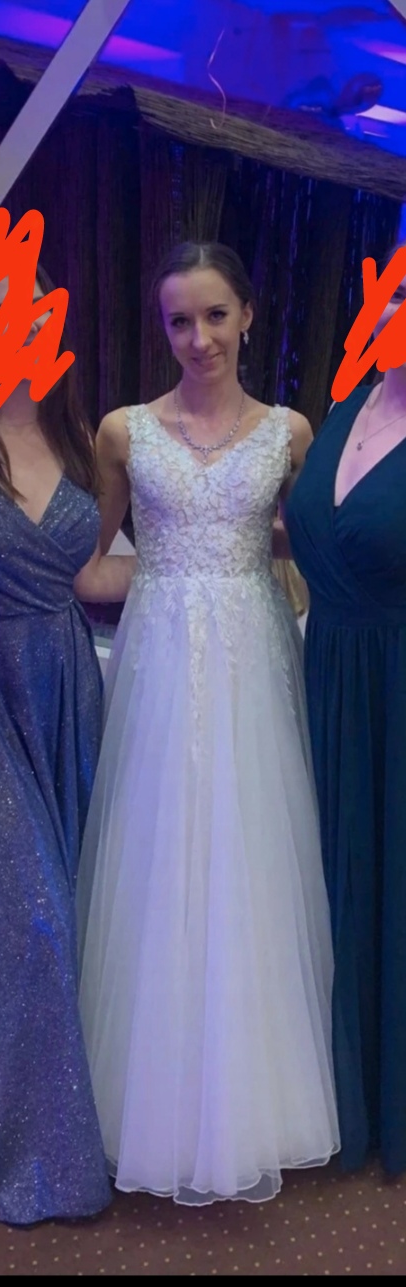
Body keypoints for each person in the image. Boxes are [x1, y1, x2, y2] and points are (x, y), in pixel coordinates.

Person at [77, 241, 339, 1206]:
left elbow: (314, 544)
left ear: (248, 315)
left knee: (250, 861)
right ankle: (145, 1103)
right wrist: (159, 577)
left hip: (253, 670)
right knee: (155, 864)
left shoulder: (289, 434)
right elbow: (91, 560)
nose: (198, 338)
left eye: (214, 315)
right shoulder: (123, 431)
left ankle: (255, 1105)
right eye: (179, 321)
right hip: (157, 669)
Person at [0, 264, 134, 1225]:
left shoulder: (74, 430)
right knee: (35, 919)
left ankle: (105, 1123)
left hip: (68, 690)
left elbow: (87, 576)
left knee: (90, 912)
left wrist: (210, 555)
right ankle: (42, 1158)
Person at [286, 242, 406, 1177]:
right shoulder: (343, 407)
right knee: (324, 879)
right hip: (321, 675)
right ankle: (328, 1097)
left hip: (394, 689)